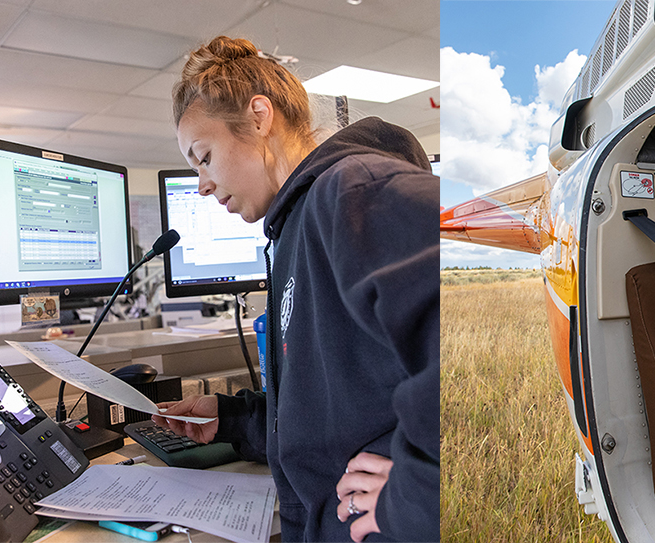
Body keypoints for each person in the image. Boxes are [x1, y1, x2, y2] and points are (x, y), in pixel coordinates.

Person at [150, 36, 440, 542]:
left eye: (204, 156)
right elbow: (332, 408)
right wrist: (236, 422)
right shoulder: (293, 228)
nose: (201, 184)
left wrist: (415, 494)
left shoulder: (350, 191)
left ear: (259, 116)